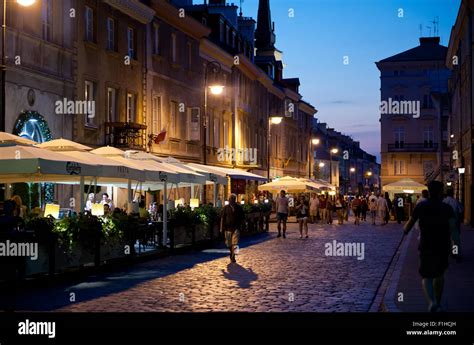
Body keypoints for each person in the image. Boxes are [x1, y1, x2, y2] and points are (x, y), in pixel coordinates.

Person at [404, 181, 456, 312]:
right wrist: (456, 246)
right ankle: (438, 303)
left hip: (426, 244)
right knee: (439, 274)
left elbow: (409, 224)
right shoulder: (446, 208)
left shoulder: (421, 206)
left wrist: (405, 231)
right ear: (440, 192)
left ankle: (431, 302)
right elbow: (453, 229)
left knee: (426, 276)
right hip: (442, 245)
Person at [220, 194, 244, 263]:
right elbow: (222, 218)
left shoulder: (239, 208)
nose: (232, 200)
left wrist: (242, 226)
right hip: (227, 228)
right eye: (231, 199)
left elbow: (242, 218)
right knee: (228, 243)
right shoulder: (225, 208)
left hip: (236, 227)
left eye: (233, 199)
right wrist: (221, 228)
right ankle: (231, 252)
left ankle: (233, 256)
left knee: (235, 243)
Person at [443, 188, 463, 261]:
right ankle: (455, 253)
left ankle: (446, 253)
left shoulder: (444, 201)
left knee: (445, 239)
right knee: (455, 240)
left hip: (445, 223)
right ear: (452, 193)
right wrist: (459, 221)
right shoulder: (455, 201)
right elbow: (461, 211)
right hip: (454, 222)